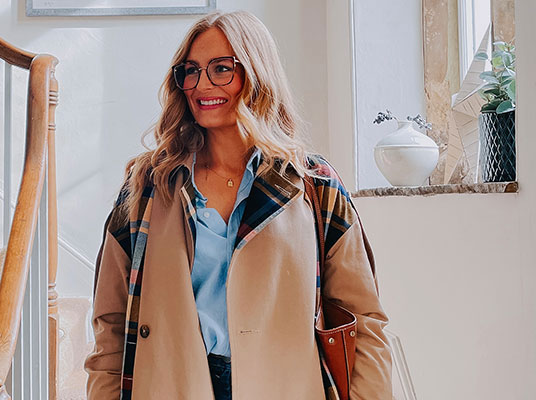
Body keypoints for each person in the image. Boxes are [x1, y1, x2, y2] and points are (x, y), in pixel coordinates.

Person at [84, 10, 392, 400]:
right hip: (174, 384)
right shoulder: (149, 186)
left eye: (221, 69)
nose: (201, 84)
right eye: (191, 70)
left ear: (256, 74)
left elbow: (363, 321)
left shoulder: (314, 185)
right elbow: (110, 323)